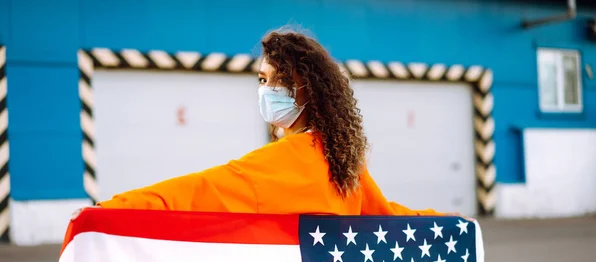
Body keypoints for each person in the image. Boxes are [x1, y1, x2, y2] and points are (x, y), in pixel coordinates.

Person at [72, 28, 452, 219]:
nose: (266, 90)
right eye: (260, 80)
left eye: (276, 79)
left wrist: (112, 209)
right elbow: (387, 216)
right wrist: (451, 222)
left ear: (308, 90)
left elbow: (197, 191)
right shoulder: (342, 161)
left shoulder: (282, 161)